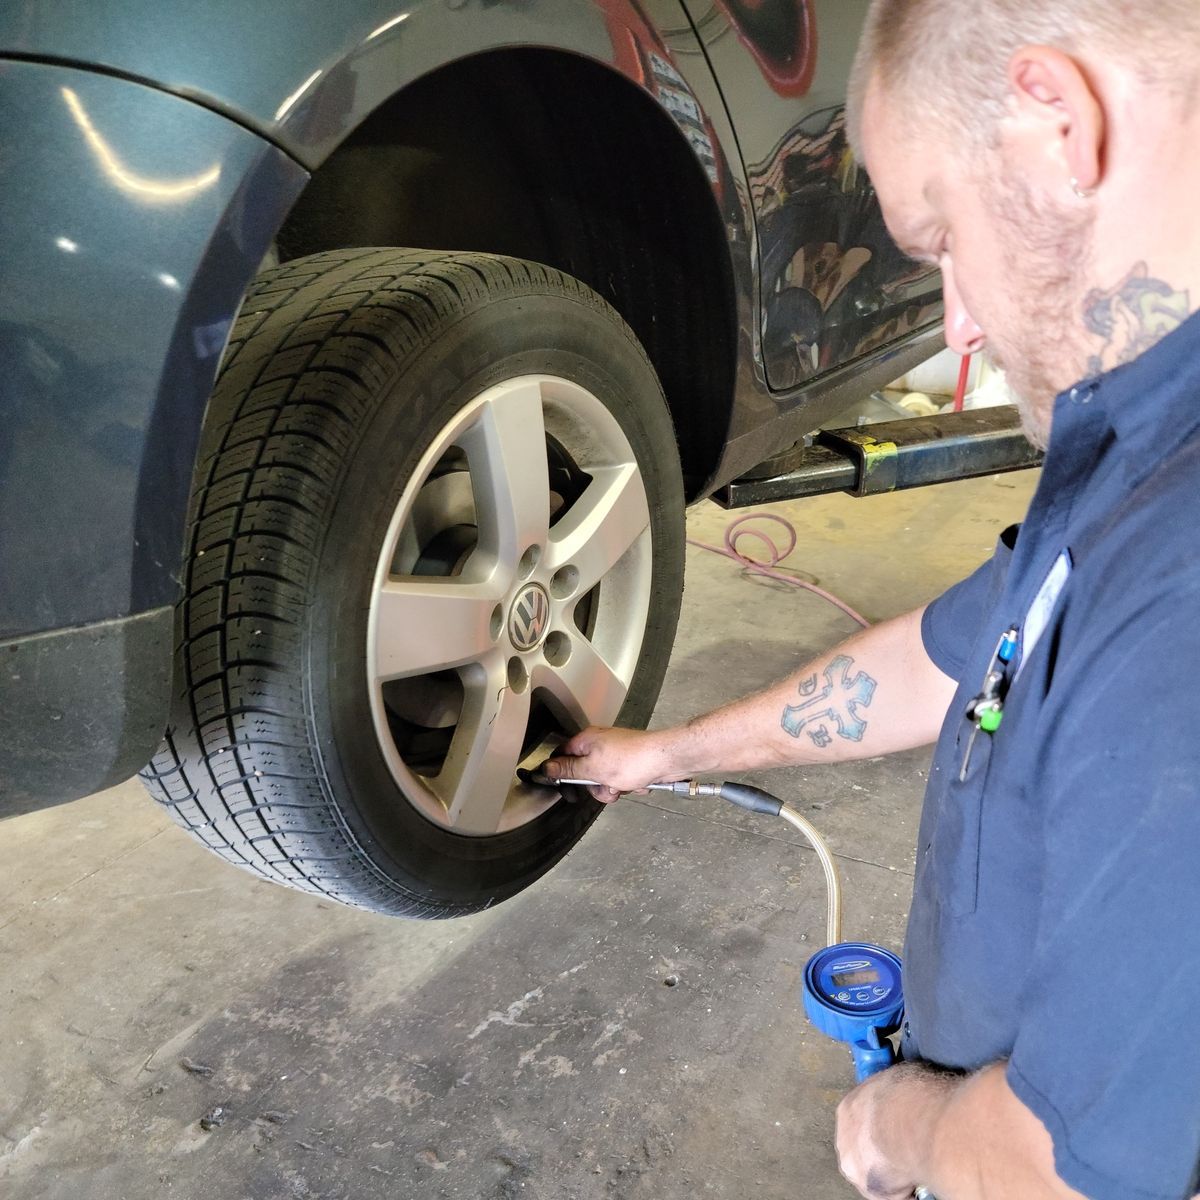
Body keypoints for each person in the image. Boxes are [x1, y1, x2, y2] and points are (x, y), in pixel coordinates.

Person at [543, 2, 1200, 1197]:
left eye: (940, 235)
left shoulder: (1181, 583)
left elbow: (1066, 1178)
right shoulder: (1136, 452)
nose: (958, 323)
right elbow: (944, 662)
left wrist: (902, 1125)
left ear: (1059, 121)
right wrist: (667, 752)